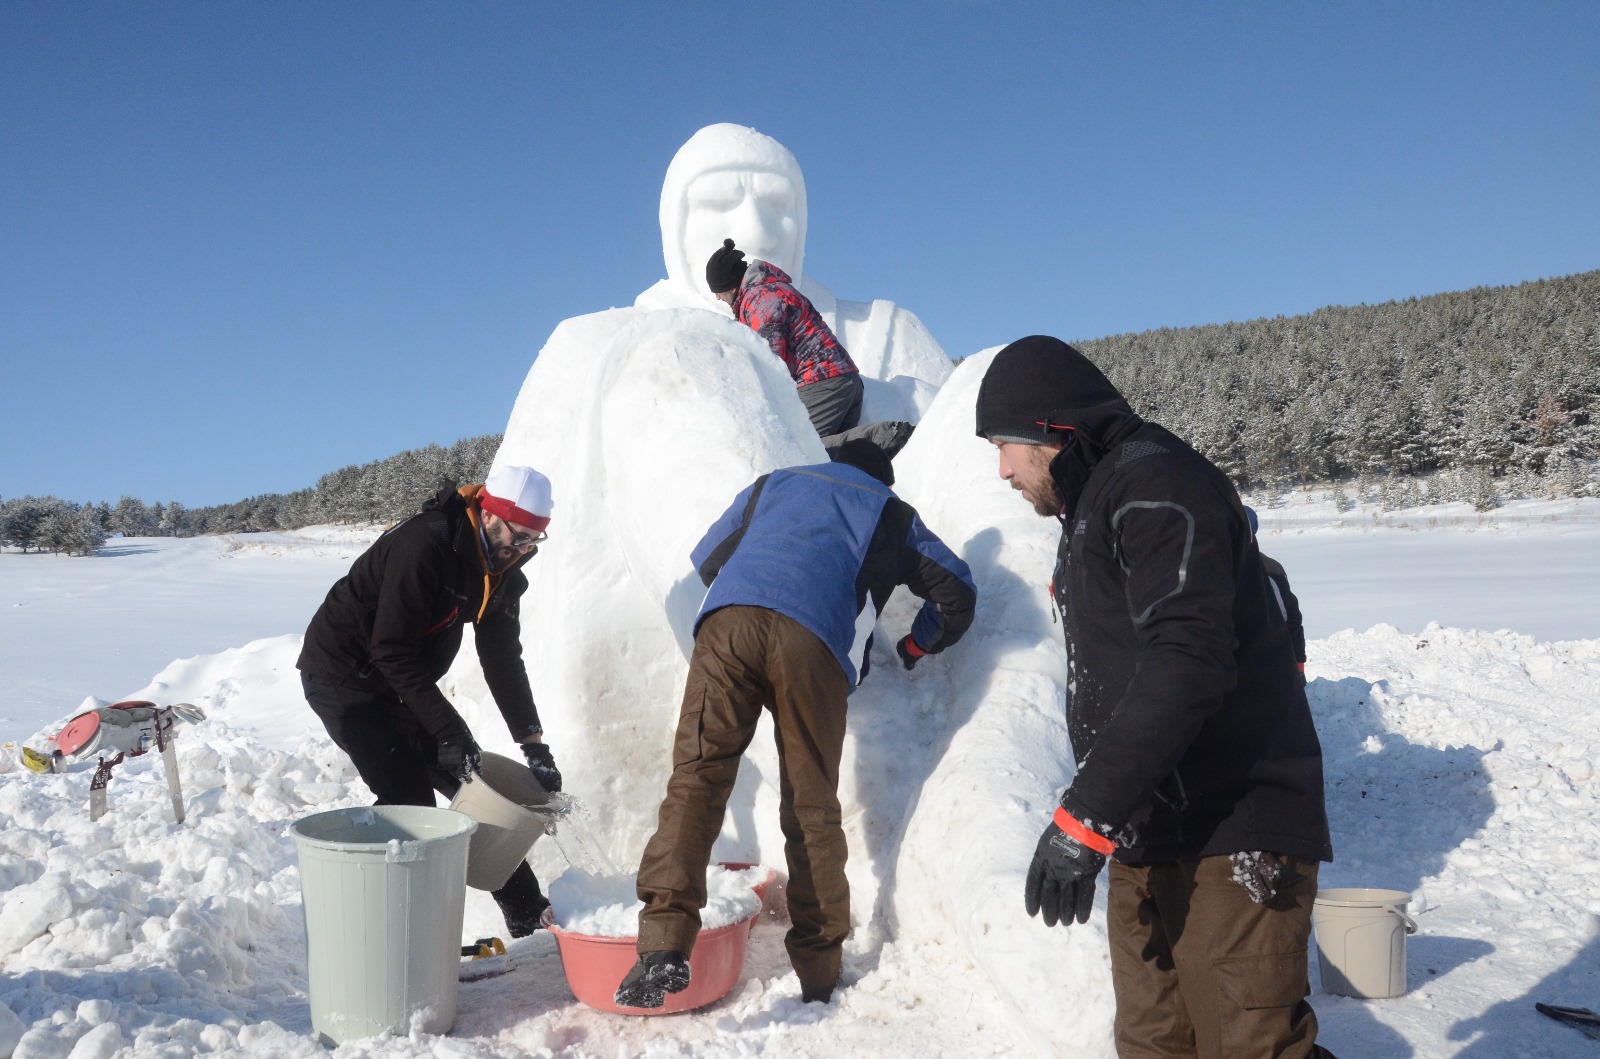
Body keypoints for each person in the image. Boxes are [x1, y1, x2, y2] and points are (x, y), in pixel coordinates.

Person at [975, 336, 1336, 1059]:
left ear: (1054, 429)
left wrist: (1086, 813)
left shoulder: (1158, 484)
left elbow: (1187, 660)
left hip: (1231, 825)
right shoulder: (1091, 506)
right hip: (1149, 829)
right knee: (1153, 1043)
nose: (1003, 468)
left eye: (1006, 444)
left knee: (1246, 1042)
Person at [614, 440, 977, 1009]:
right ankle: (818, 969)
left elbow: (708, 557)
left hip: (727, 627)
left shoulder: (775, 483)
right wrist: (914, 641)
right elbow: (959, 592)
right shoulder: (891, 511)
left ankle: (662, 946)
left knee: (697, 779)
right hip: (812, 644)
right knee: (810, 805)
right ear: (883, 480)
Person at [297, 465, 564, 937]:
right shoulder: (426, 544)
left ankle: (527, 915)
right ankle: (400, 939)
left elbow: (502, 658)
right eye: (514, 536)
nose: (519, 550)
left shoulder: (501, 568)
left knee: (475, 781)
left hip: (401, 682)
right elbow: (389, 648)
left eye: (530, 542)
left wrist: (534, 744)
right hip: (344, 678)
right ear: (488, 513)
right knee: (409, 802)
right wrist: (447, 730)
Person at [1246, 507, 1308, 679]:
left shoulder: (1269, 569)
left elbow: (1291, 618)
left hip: (1264, 664)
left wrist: (1298, 665)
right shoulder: (1210, 567)